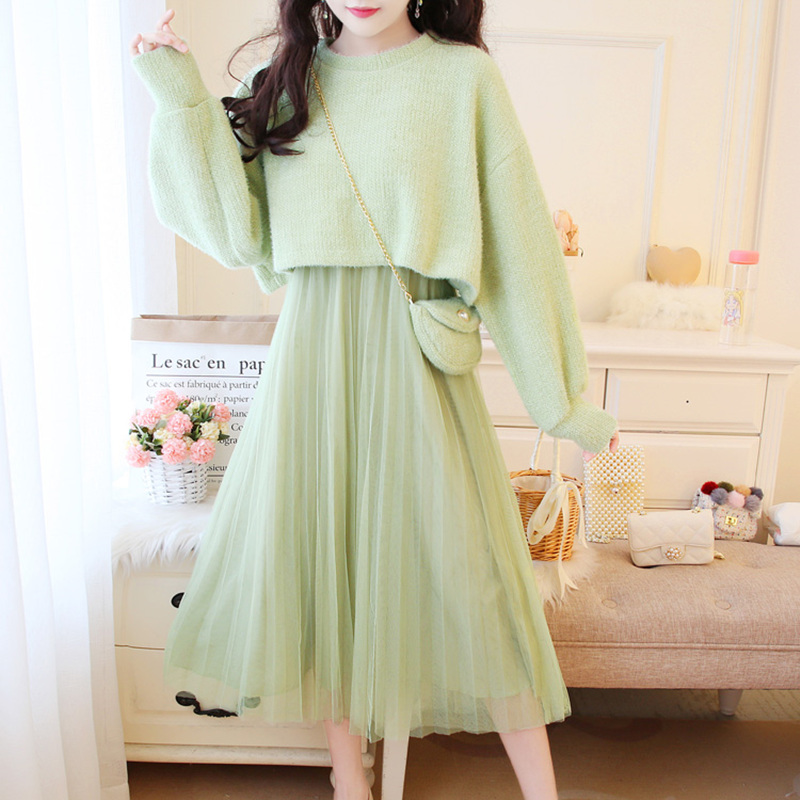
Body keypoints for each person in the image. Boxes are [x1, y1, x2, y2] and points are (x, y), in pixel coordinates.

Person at [129, 3, 619, 799]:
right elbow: (231, 230)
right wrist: (175, 89)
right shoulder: (285, 81)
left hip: (416, 363)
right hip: (310, 358)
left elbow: (520, 248)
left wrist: (563, 402)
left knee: (475, 582)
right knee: (328, 573)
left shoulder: (462, 79)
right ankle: (347, 780)